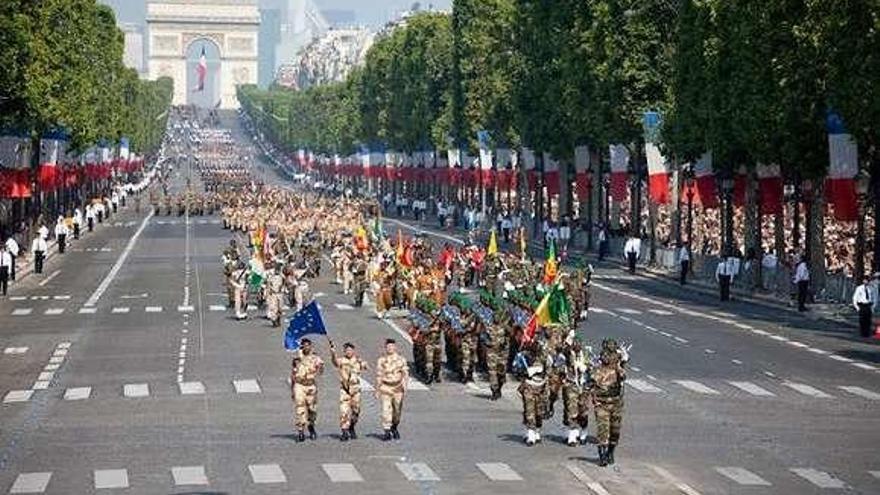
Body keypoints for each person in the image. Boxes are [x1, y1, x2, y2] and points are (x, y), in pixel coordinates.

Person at [590, 340, 628, 467]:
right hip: (602, 404)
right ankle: (602, 456)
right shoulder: (596, 370)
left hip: (616, 404)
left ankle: (611, 452)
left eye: (609, 356)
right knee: (602, 430)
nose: (606, 358)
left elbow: (623, 376)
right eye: (604, 356)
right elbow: (589, 385)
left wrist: (619, 364)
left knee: (615, 431)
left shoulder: (617, 370)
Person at [329, 341, 368, 441]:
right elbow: (334, 362)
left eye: (350, 350)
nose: (349, 352)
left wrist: (363, 364)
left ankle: (351, 426)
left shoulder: (358, 361)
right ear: (344, 352)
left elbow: (366, 367)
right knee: (344, 411)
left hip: (355, 390)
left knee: (356, 411)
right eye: (347, 350)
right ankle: (344, 431)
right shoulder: (342, 361)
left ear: (353, 351)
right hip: (345, 390)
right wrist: (333, 352)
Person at [290, 338, 324, 442]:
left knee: (312, 409)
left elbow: (321, 371)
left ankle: (311, 426)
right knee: (300, 408)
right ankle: (301, 431)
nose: (306, 347)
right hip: (299, 385)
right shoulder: (297, 359)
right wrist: (292, 390)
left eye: (308, 345)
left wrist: (320, 367)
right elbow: (293, 374)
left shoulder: (315, 358)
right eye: (304, 346)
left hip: (310, 386)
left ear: (311, 346)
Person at [376, 338, 408, 441]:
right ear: (385, 348)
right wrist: (377, 389)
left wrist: (405, 386)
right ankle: (386, 430)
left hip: (398, 387)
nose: (390, 348)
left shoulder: (401, 360)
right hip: (386, 387)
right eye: (388, 347)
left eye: (391, 347)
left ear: (395, 347)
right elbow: (379, 375)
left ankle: (394, 427)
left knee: (397, 411)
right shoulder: (381, 360)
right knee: (386, 409)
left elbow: (405, 374)